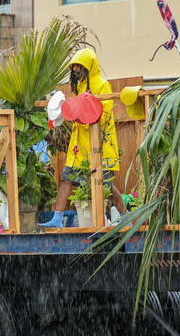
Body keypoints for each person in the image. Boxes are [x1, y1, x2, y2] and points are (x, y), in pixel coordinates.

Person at [40, 49, 126, 228]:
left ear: (89, 66)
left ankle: (126, 216)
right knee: (66, 178)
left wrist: (84, 113)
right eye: (74, 66)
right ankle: (57, 218)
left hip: (97, 146)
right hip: (79, 147)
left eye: (79, 66)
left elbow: (106, 113)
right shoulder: (80, 87)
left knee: (106, 185)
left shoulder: (102, 85)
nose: (76, 70)